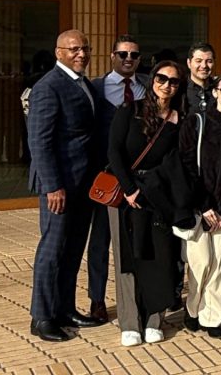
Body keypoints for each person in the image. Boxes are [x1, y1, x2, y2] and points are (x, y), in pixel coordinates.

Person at [27, 30, 104, 342]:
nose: (81, 54)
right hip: (59, 186)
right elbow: (39, 142)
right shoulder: (48, 87)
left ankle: (66, 309)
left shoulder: (83, 82)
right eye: (74, 49)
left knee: (73, 250)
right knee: (52, 249)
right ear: (58, 52)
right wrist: (52, 186)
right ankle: (42, 317)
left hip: (83, 184)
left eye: (85, 48)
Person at [106, 60, 184, 346]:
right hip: (125, 192)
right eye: (162, 79)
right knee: (128, 259)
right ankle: (129, 322)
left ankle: (154, 318)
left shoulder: (178, 119)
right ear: (152, 80)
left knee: (158, 256)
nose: (166, 85)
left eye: (173, 81)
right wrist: (128, 188)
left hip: (156, 194)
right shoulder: (130, 110)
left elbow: (174, 164)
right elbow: (114, 150)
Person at [178, 72, 221, 339]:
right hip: (199, 207)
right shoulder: (196, 122)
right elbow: (186, 166)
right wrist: (205, 206)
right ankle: (193, 308)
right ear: (215, 92)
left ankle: (213, 316)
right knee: (201, 262)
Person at [89, 34, 150, 324]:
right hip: (107, 177)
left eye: (134, 55)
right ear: (112, 56)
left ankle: (144, 296)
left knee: (140, 241)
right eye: (123, 54)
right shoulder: (95, 88)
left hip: (140, 179)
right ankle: (97, 299)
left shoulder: (150, 87)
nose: (129, 59)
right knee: (101, 239)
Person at [185, 42, 216, 116]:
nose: (204, 65)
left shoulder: (220, 88)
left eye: (209, 61)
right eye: (198, 61)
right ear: (189, 63)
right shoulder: (180, 89)